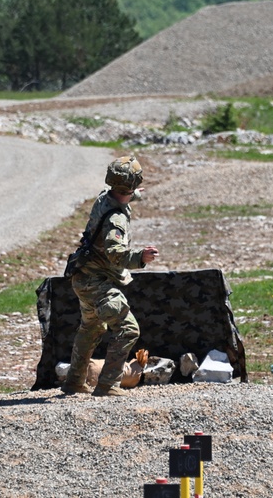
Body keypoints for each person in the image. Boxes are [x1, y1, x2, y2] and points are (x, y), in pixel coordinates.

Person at [61, 155, 159, 397]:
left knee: (91, 328)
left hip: (83, 277)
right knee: (128, 329)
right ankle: (107, 385)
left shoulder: (104, 197)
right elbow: (116, 254)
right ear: (133, 184)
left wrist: (133, 193)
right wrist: (140, 257)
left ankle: (74, 382)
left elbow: (119, 195)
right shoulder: (116, 220)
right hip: (98, 283)